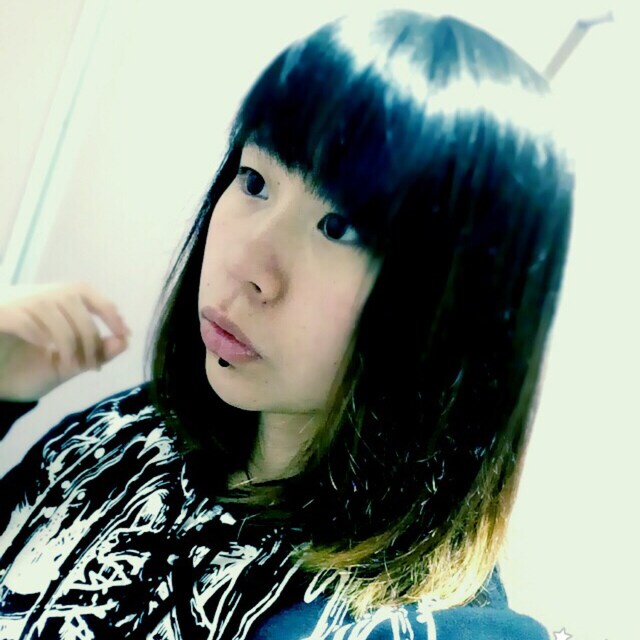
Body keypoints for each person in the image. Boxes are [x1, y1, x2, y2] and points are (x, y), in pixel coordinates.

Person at [0, 9, 573, 640]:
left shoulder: (390, 624)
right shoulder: (132, 430)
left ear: (456, 308)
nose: (246, 266)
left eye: (338, 227)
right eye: (254, 181)